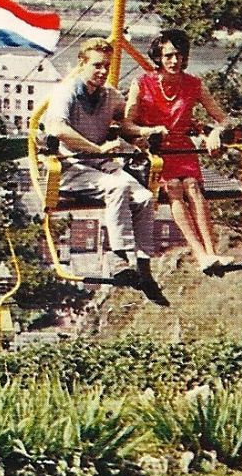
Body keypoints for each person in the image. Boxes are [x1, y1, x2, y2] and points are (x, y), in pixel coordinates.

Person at [43, 37, 164, 300]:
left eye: (106, 66)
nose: (102, 72)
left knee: (145, 197)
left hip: (99, 165)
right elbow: (58, 129)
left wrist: (144, 132)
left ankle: (143, 267)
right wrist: (96, 149)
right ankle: (118, 257)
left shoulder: (109, 95)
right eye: (97, 65)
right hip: (71, 166)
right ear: (82, 63)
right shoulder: (67, 93)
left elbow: (124, 123)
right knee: (118, 187)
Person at [126, 29, 236, 274]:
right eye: (168, 56)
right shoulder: (141, 83)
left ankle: (212, 252)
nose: (174, 61)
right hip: (154, 150)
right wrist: (148, 132)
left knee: (194, 187)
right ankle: (200, 254)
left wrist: (216, 132)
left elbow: (223, 119)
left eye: (179, 55)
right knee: (175, 187)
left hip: (182, 149)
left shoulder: (193, 85)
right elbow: (127, 123)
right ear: (158, 57)